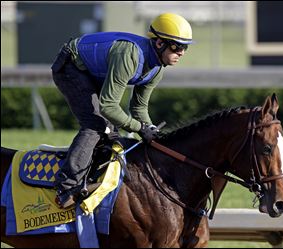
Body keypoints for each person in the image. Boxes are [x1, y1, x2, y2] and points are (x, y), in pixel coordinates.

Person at [51, 12, 193, 208]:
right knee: (97, 124)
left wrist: (150, 130)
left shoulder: (157, 69)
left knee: (112, 132)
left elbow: (139, 108)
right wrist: (138, 127)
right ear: (159, 43)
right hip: (71, 66)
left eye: (185, 47)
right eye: (178, 46)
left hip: (92, 72)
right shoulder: (129, 55)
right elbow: (108, 106)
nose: (182, 53)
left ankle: (97, 178)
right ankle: (66, 186)